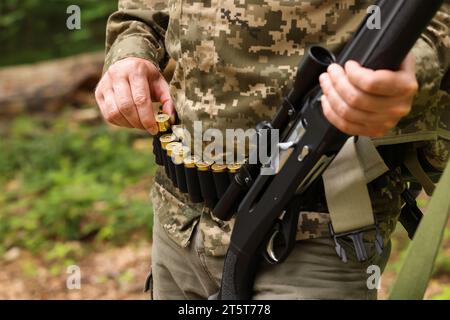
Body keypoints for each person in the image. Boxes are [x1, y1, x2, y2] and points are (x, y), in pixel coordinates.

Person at [95, 0, 450, 299]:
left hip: (318, 219)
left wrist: (415, 66)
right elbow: (139, 11)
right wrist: (130, 49)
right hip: (177, 217)